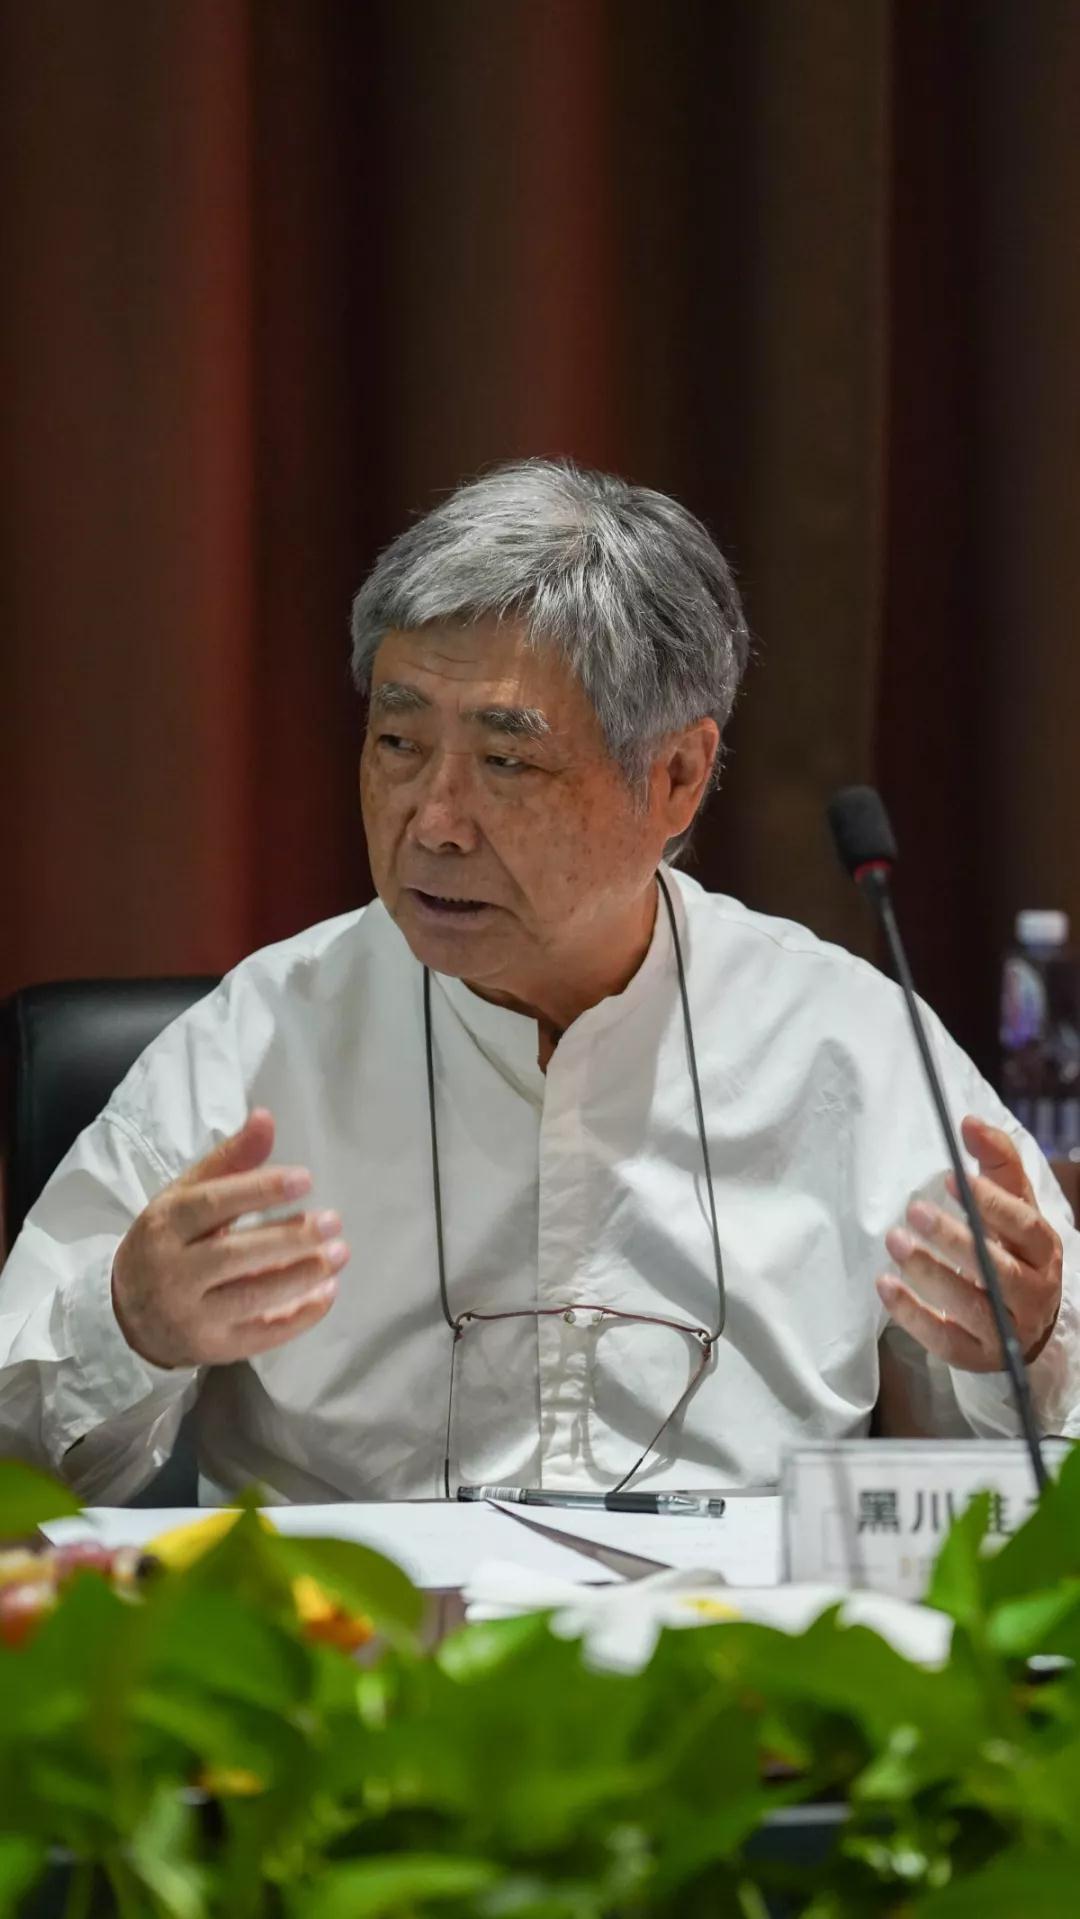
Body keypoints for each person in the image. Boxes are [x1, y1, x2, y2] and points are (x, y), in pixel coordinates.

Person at [0, 461, 1075, 1504]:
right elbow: (15, 1462)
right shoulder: (258, 1042)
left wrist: (1024, 1346)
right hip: (359, 1624)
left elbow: (1036, 1472)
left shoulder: (850, 1044)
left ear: (677, 776)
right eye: (398, 741)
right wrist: (129, 1323)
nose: (433, 821)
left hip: (735, 1623)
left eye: (506, 761)